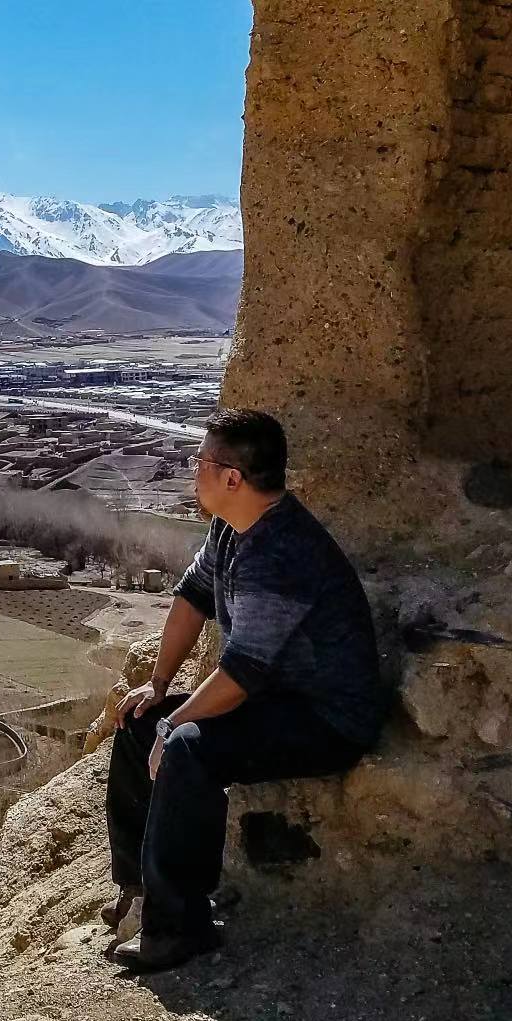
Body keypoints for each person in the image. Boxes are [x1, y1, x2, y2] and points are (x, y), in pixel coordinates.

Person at [95, 408, 385, 973]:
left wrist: (176, 724)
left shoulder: (280, 553)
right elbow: (192, 599)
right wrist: (157, 686)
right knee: (138, 724)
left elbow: (242, 673)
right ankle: (139, 890)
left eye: (200, 461)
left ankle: (180, 927)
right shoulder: (233, 527)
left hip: (326, 719)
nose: (191, 471)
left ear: (233, 478)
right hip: (275, 697)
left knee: (186, 747)